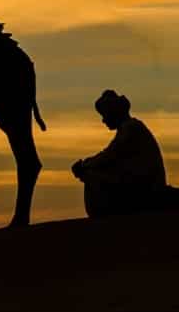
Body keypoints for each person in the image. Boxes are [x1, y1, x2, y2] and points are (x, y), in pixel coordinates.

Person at [71, 90, 167, 218]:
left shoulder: (131, 128)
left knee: (91, 175)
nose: (103, 120)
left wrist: (85, 165)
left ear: (113, 112)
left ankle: (103, 214)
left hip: (146, 188)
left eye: (105, 114)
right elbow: (111, 157)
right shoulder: (128, 128)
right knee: (93, 173)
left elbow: (110, 155)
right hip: (140, 184)